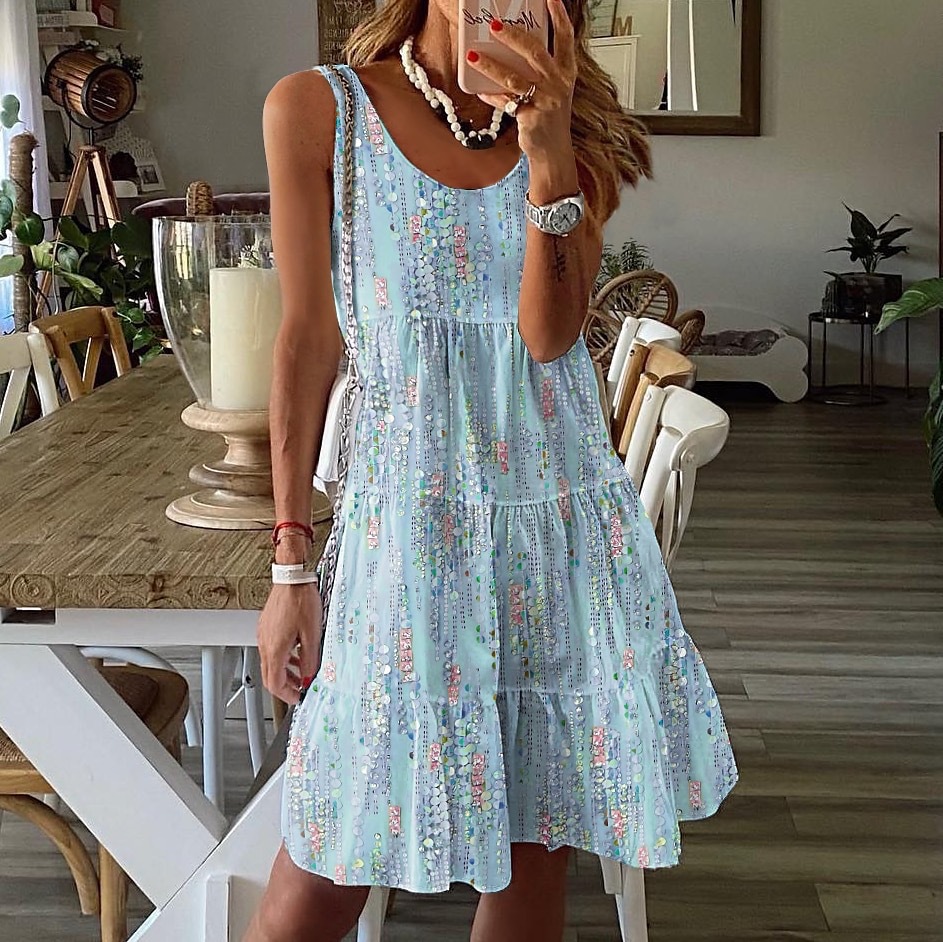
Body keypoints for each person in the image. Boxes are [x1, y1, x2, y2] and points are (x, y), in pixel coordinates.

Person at [247, 0, 738, 939]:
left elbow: (548, 338)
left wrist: (547, 151)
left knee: (531, 852)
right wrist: (290, 566)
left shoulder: (571, 120)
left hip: (554, 524)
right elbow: (306, 342)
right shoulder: (318, 109)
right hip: (406, 529)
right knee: (325, 868)